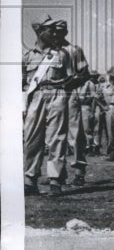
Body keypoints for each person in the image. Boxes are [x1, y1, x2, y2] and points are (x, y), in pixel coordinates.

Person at [22, 15, 72, 196]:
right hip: (35, 96)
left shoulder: (62, 54)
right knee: (32, 138)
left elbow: (71, 76)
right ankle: (30, 180)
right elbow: (21, 81)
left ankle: (55, 181)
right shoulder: (28, 55)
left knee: (57, 138)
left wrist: (63, 92)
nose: (53, 32)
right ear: (39, 31)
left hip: (57, 94)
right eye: (49, 29)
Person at [52, 19, 90, 186]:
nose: (56, 34)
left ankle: (79, 170)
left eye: (60, 31)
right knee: (54, 135)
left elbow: (85, 73)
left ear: (65, 32)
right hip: (52, 96)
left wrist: (69, 84)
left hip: (69, 93)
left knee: (75, 134)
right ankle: (58, 174)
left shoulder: (74, 50)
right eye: (54, 31)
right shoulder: (49, 51)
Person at [99, 66, 114, 160]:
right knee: (110, 132)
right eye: (112, 75)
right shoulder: (104, 86)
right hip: (109, 110)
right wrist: (103, 106)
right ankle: (112, 152)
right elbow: (96, 97)